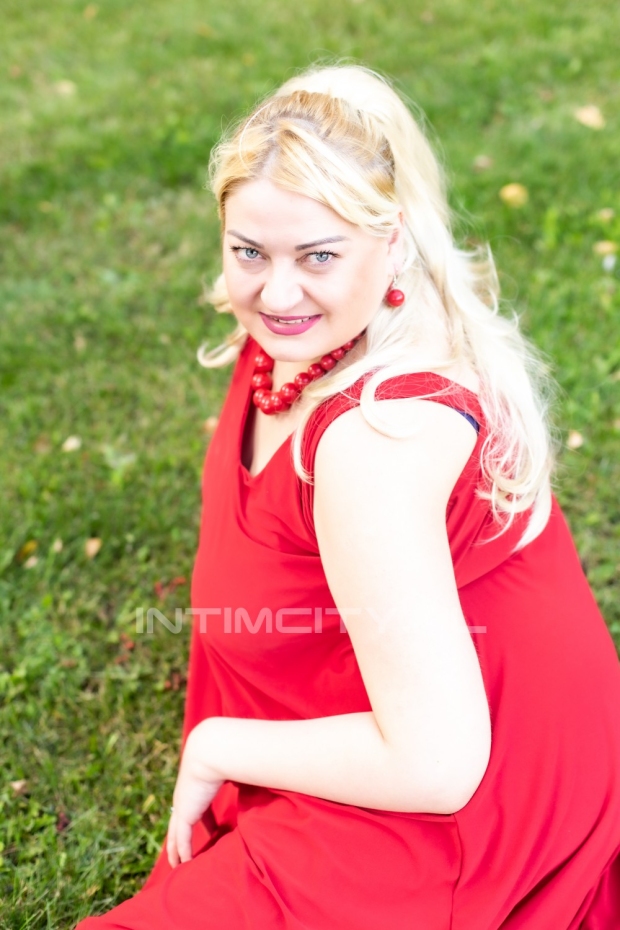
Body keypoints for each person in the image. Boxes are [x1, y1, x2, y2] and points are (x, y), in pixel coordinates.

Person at [75, 64, 620, 929]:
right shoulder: (306, 339)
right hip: (388, 712)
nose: (276, 293)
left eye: (318, 256)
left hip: (459, 808)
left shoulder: (376, 440)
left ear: (391, 242)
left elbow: (437, 763)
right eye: (249, 251)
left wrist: (217, 744)